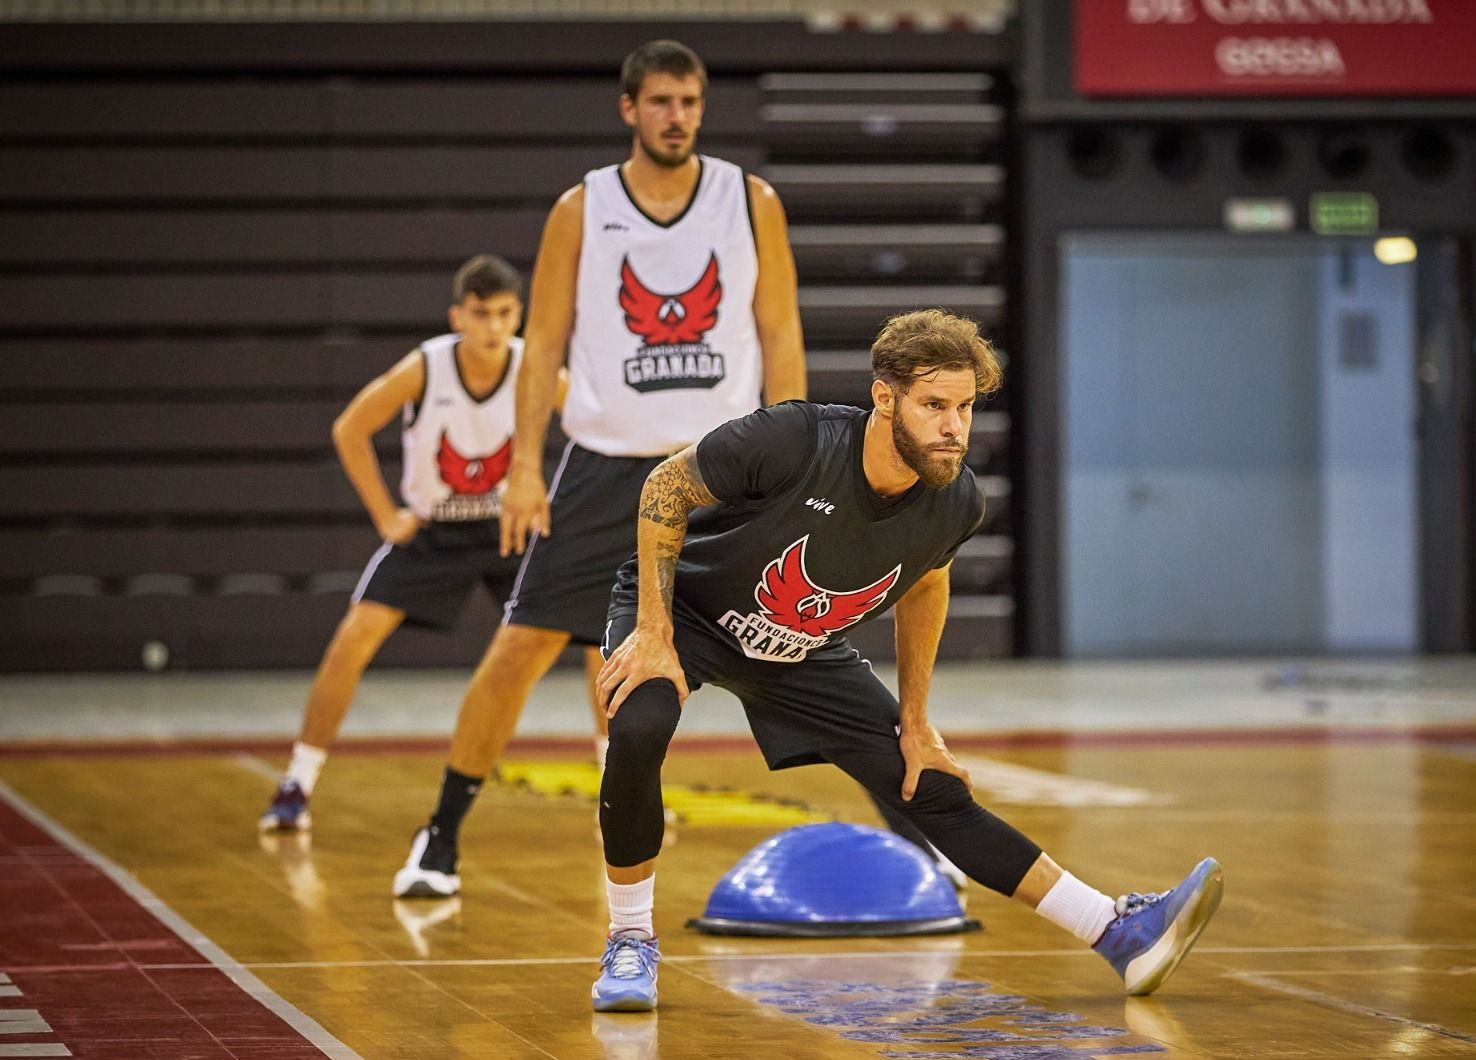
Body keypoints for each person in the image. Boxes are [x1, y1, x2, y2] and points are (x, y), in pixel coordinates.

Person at [588, 309, 1224, 1011]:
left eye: (964, 408)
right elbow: (664, 488)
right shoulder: (794, 439)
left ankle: (1116, 932)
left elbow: (926, 581)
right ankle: (630, 941)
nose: (954, 426)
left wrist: (918, 718)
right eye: (934, 406)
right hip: (685, 613)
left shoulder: (955, 502)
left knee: (929, 784)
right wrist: (652, 627)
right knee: (639, 725)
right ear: (884, 398)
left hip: (799, 647)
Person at [391, 39, 809, 897]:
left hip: (715, 466)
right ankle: (441, 833)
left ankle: (914, 837)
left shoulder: (750, 200)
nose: (676, 117)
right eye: (659, 101)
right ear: (628, 108)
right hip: (602, 467)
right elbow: (539, 343)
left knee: (803, 647)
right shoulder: (581, 209)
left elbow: (781, 333)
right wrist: (520, 467)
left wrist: (791, 452)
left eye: (689, 101)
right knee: (519, 649)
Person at [260, 254, 531, 832]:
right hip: (433, 530)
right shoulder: (426, 367)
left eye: (505, 314)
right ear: (457, 315)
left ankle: (616, 781)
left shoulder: (535, 369)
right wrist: (386, 515)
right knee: (351, 639)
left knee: (597, 633)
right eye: (481, 314)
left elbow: (592, 429)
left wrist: (542, 493)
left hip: (508, 530)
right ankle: (297, 782)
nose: (493, 328)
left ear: (519, 315)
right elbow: (350, 428)